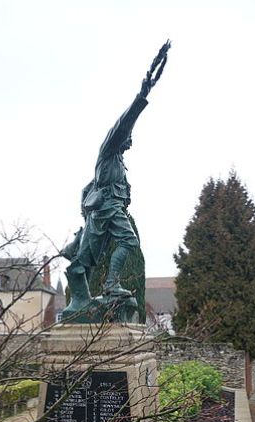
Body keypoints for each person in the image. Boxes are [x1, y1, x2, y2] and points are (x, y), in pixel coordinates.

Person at [61, 41, 171, 317]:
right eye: (128, 138)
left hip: (109, 210)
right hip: (107, 209)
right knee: (128, 241)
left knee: (86, 260)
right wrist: (140, 98)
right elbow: (122, 126)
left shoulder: (119, 162)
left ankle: (86, 296)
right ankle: (110, 284)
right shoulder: (108, 152)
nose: (130, 140)